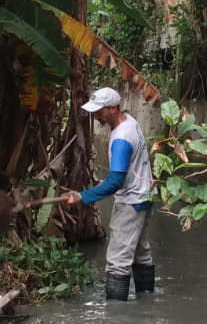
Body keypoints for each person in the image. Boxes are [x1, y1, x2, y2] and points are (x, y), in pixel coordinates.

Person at [64, 87, 155, 301]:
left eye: (100, 111)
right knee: (141, 254)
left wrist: (82, 197)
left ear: (113, 108)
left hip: (131, 202)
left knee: (117, 262)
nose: (96, 115)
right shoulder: (131, 123)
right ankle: (147, 300)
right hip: (146, 195)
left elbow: (116, 181)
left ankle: (116, 319)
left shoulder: (121, 137)